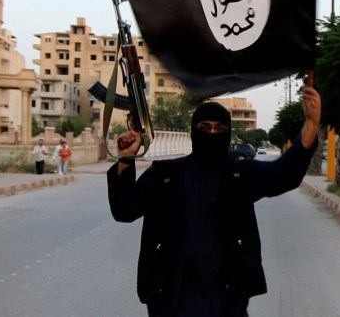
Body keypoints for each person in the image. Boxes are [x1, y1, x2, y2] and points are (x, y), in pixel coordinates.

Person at [108, 82, 321, 316]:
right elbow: (124, 210)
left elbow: (284, 175)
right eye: (205, 127)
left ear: (227, 133)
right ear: (193, 131)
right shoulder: (165, 175)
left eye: (219, 129)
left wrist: (311, 124)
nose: (212, 134)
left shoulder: (240, 175)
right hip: (172, 299)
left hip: (226, 299)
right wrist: (126, 160)